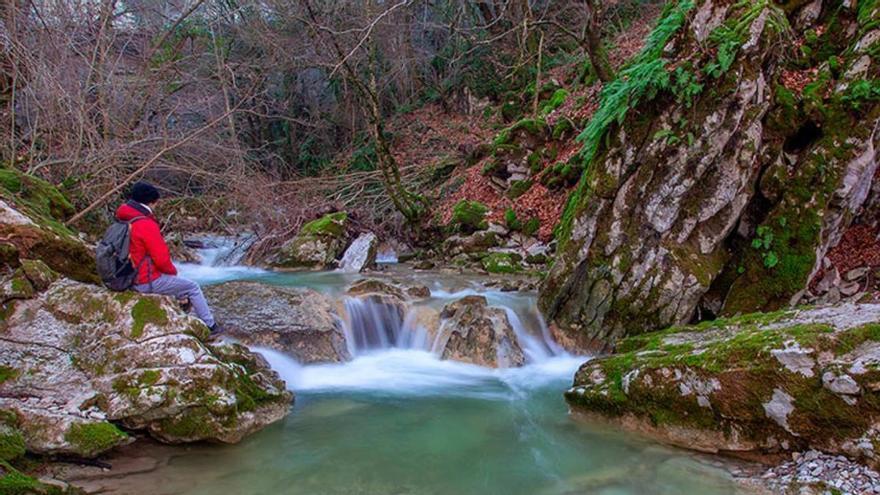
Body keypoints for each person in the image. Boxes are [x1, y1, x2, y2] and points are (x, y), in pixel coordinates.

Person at [115, 181, 222, 337]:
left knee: (178, 285)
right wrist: (173, 272)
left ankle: (182, 304)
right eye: (156, 203)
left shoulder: (122, 218)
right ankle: (211, 326)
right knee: (192, 287)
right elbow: (162, 260)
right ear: (151, 202)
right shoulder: (145, 224)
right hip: (143, 281)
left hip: (124, 277)